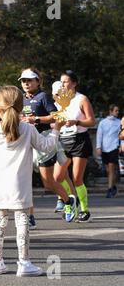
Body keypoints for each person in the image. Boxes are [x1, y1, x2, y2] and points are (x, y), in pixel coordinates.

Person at [0, 86, 65, 276]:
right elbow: (47, 147)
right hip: (20, 187)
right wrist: (56, 130)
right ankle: (24, 263)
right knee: (22, 223)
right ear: (20, 107)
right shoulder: (27, 129)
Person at [19, 68, 75, 229]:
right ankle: (29, 217)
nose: (26, 83)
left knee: (48, 183)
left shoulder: (43, 97)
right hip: (26, 142)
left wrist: (35, 119)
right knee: (25, 181)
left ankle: (68, 201)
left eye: (30, 80)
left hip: (44, 141)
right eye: (23, 80)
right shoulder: (20, 99)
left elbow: (56, 116)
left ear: (38, 81)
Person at [53, 70, 96, 223]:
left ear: (74, 83)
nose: (62, 84)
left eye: (65, 81)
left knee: (77, 178)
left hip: (79, 140)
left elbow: (92, 121)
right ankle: (72, 201)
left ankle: (84, 210)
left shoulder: (82, 99)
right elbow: (53, 119)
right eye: (61, 81)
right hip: (63, 140)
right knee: (57, 177)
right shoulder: (58, 100)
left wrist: (76, 122)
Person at [96, 104, 121, 198]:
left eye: (118, 111)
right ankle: (113, 186)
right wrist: (98, 147)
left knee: (111, 169)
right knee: (108, 171)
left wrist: (120, 145)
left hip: (114, 147)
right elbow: (99, 135)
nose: (117, 112)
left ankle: (109, 189)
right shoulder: (103, 122)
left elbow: (121, 135)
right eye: (116, 111)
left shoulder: (119, 122)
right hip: (104, 148)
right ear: (111, 111)